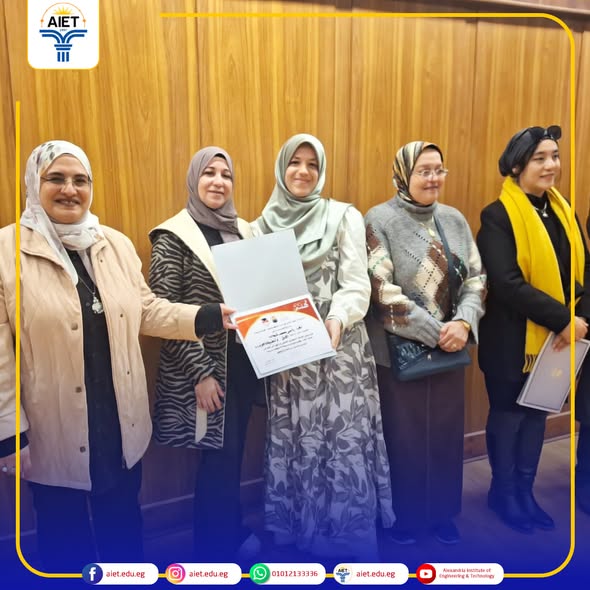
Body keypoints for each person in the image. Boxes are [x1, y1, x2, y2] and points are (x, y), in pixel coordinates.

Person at [0, 140, 235, 572]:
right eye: (56, 178)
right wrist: (10, 435)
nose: (70, 189)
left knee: (123, 524)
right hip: (53, 426)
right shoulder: (5, 251)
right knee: (62, 533)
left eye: (80, 180)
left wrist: (206, 315)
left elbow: (147, 309)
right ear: (34, 183)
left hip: (118, 420)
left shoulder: (114, 244)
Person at [252, 133, 394, 561]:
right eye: (295, 162)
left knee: (341, 441)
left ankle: (348, 539)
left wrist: (338, 317)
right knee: (299, 440)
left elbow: (356, 282)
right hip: (290, 357)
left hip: (340, 351)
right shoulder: (259, 227)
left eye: (312, 164)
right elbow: (258, 294)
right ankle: (301, 532)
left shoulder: (343, 216)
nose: (303, 171)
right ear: (282, 168)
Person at [365, 140, 485, 545]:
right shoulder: (380, 219)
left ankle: (441, 514)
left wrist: (463, 323)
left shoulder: (454, 219)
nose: (433, 178)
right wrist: (438, 333)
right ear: (403, 174)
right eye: (423, 171)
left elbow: (476, 279)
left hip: (452, 348)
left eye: (438, 170)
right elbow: (381, 291)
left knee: (445, 435)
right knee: (404, 438)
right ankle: (404, 519)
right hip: (400, 353)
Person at [148, 146, 262, 562]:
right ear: (194, 179)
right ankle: (215, 551)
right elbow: (164, 312)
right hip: (208, 368)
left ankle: (229, 532)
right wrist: (201, 373)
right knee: (218, 458)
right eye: (209, 173)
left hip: (244, 364)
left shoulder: (244, 231)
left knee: (232, 455)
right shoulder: (172, 236)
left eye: (226, 174)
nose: (218, 181)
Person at [477, 125, 590, 532]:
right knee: (509, 416)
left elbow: (583, 272)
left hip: (558, 340)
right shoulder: (497, 216)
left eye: (554, 156)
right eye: (540, 158)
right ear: (517, 165)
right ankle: (503, 493)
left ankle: (525, 493)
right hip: (512, 341)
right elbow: (507, 284)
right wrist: (563, 320)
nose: (550, 165)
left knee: (537, 415)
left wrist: (580, 318)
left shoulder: (563, 210)